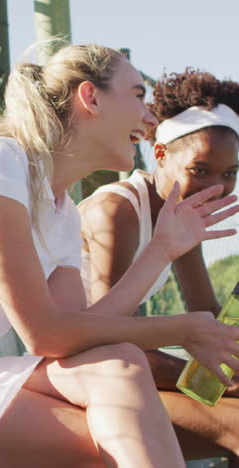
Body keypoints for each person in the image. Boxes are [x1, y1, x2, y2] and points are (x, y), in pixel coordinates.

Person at [0, 46, 238, 468]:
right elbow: (45, 334)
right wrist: (184, 328)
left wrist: (161, 250)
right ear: (91, 98)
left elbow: (81, 337)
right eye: (137, 96)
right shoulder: (0, 160)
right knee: (117, 434)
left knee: (121, 364)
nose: (149, 117)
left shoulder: (62, 216)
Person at [78, 68, 239, 466]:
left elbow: (210, 315)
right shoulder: (117, 211)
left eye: (231, 174)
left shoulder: (180, 214)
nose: (216, 187)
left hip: (108, 370)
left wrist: (228, 359)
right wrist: (224, 376)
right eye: (200, 170)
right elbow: (108, 344)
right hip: (72, 372)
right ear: (161, 154)